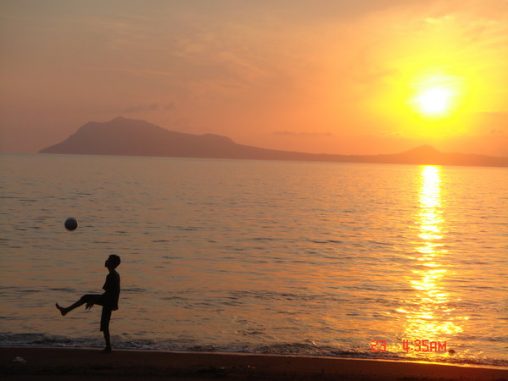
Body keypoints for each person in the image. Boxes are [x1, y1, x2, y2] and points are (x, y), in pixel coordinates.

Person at [56, 254, 121, 353]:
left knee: (88, 300)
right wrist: (94, 300)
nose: (106, 261)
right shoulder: (115, 274)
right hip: (110, 301)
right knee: (104, 323)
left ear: (112, 263)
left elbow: (108, 293)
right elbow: (110, 293)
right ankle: (108, 347)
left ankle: (66, 310)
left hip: (108, 301)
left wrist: (94, 301)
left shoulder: (111, 275)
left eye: (108, 260)